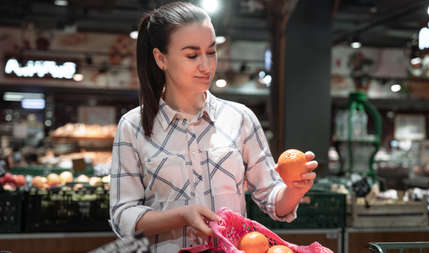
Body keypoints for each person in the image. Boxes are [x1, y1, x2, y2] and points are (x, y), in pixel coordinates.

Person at [109, 1, 318, 251]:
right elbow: (123, 216)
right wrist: (181, 216)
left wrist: (294, 190)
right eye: (192, 55)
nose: (206, 66)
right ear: (161, 58)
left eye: (211, 51)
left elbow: (272, 200)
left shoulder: (240, 118)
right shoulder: (133, 126)